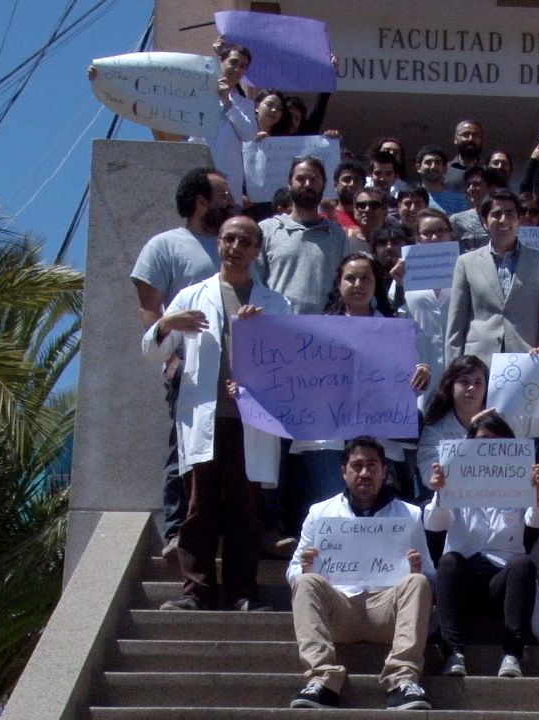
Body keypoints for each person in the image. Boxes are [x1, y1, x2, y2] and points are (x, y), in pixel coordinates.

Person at [142, 215, 290, 611]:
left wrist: (263, 332)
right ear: (219, 243)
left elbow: (289, 362)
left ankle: (243, 592)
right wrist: (166, 324)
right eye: (229, 239)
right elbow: (152, 352)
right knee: (198, 508)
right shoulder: (192, 296)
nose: (235, 248)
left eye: (245, 241)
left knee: (246, 509)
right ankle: (196, 592)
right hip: (203, 416)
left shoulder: (276, 304)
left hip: (251, 419)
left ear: (257, 250)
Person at [131, 167, 235, 563]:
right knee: (183, 450)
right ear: (201, 201)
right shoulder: (164, 245)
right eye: (223, 194)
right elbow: (149, 308)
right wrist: (172, 357)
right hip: (189, 368)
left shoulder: (233, 246)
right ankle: (176, 529)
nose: (231, 200)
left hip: (233, 372)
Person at [287, 437, 435, 711]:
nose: (365, 473)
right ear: (344, 472)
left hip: (387, 612)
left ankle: (403, 681)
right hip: (339, 610)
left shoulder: (411, 515)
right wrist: (305, 568)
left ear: (384, 471)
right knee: (305, 581)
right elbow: (292, 570)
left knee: (418, 582)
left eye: (372, 465)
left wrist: (416, 570)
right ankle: (322, 680)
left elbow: (429, 573)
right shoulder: (320, 514)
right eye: (357, 466)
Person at [425, 412, 539, 678]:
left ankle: (512, 654)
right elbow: (434, 524)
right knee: (449, 561)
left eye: (496, 442)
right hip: (464, 583)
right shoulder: (454, 480)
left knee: (522, 563)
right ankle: (453, 652)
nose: (488, 449)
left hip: (503, 585)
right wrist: (441, 494)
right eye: (481, 442)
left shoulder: (520, 482)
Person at [290, 254, 430, 506]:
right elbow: (296, 380)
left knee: (377, 513)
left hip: (381, 437)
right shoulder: (317, 332)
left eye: (366, 278)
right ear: (339, 283)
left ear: (376, 283)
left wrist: (421, 372)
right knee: (331, 510)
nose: (358, 284)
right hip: (328, 440)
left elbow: (408, 383)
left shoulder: (395, 330)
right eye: (351, 278)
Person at [445, 189, 539, 367]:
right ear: (484, 222)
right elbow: (456, 323)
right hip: (478, 362)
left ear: (519, 220)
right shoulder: (466, 262)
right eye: (496, 214)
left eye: (510, 214)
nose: (503, 220)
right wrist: (453, 370)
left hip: (526, 359)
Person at [257, 155, 349, 315]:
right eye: (301, 179)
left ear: (324, 184)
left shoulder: (337, 234)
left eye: (314, 179)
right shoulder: (266, 230)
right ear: (289, 183)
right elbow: (255, 283)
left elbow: (343, 284)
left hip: (324, 324)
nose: (307, 184)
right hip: (278, 323)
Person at [401, 210, 459, 412]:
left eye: (441, 231)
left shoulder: (465, 269)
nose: (434, 237)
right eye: (427, 233)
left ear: (451, 234)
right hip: (419, 370)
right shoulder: (405, 273)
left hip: (457, 369)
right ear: (417, 239)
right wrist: (398, 283)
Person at [189, 43, 256, 205]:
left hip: (229, 180)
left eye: (243, 66)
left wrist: (228, 103)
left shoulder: (245, 104)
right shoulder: (197, 92)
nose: (237, 69)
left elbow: (249, 134)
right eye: (233, 62)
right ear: (221, 61)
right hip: (198, 170)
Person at [416, 355, 488, 491]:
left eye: (478, 382)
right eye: (464, 382)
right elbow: (427, 463)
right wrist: (434, 477)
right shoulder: (435, 429)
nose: (471, 388)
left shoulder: (502, 420)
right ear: (451, 386)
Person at [450, 166, 508, 252]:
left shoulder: (506, 218)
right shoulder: (456, 221)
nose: (470, 189)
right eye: (468, 185)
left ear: (491, 187)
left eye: (476, 184)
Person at [415, 145, 469, 215]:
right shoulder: (411, 199)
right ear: (418, 167)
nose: (433, 166)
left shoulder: (459, 200)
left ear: (445, 169)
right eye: (428, 162)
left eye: (437, 163)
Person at [443, 119, 486, 192]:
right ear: (455, 139)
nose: (470, 139)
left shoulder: (488, 172)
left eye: (475, 135)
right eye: (465, 135)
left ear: (482, 141)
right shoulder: (443, 170)